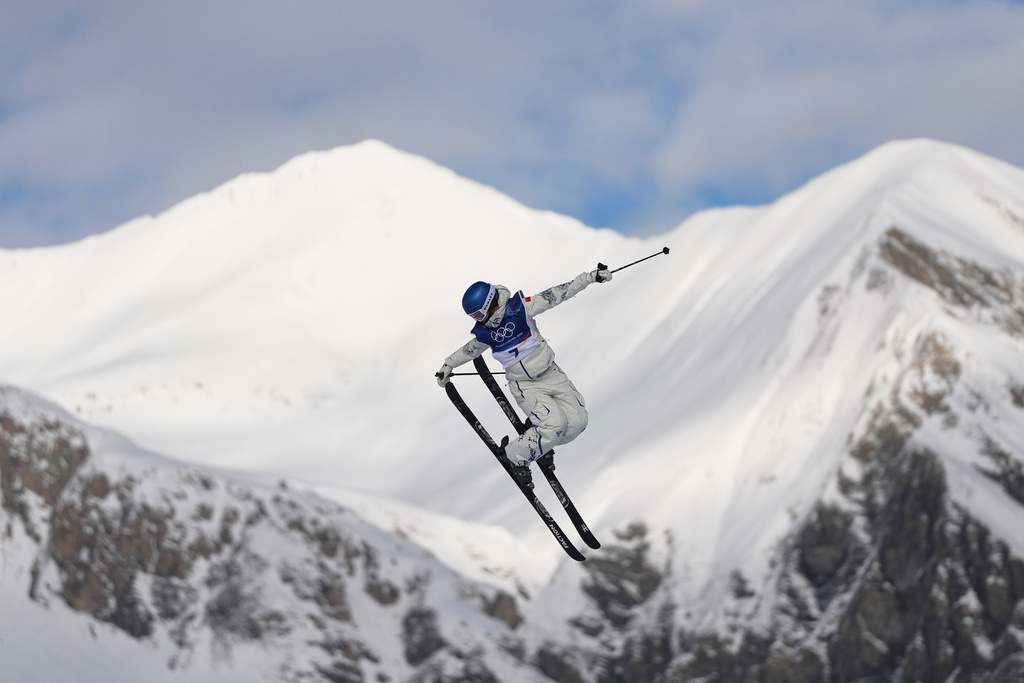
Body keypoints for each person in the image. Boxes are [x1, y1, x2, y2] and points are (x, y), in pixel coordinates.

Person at [436, 265, 612, 487]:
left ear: (491, 301)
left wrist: (589, 278)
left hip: (551, 374)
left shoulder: (520, 308)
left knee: (577, 423)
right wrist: (448, 365)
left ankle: (539, 445)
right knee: (553, 425)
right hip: (525, 385)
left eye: (479, 314)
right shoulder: (485, 332)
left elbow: (556, 294)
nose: (479, 320)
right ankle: (514, 457)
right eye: (473, 316)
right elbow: (471, 349)